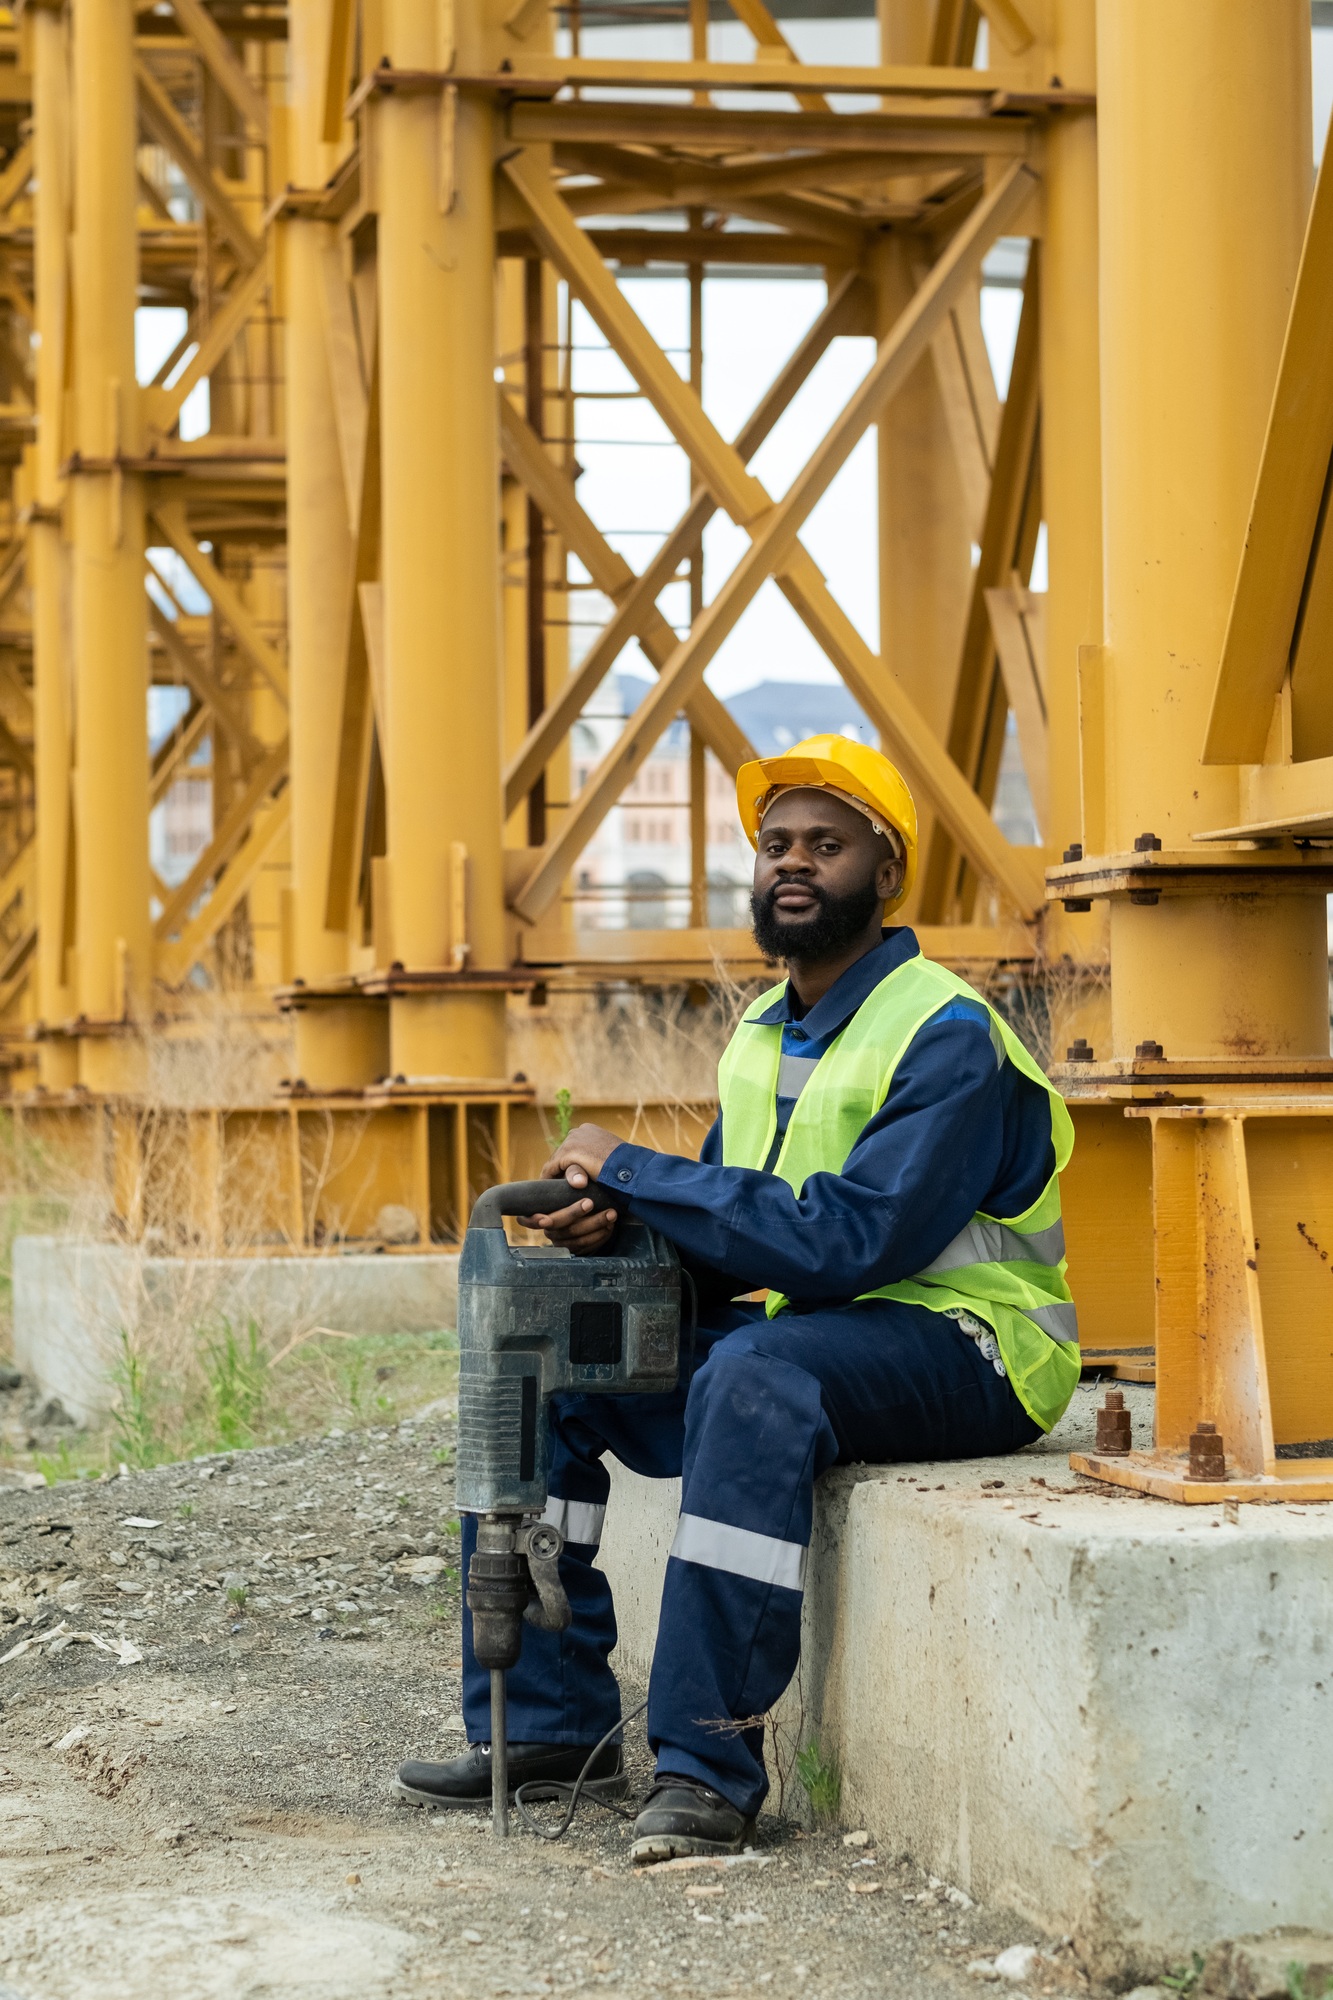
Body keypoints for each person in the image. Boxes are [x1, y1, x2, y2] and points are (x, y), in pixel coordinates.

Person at [396, 735, 1078, 1861]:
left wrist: (636, 1169)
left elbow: (855, 1239)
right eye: (775, 845)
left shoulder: (945, 1032)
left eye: (826, 842)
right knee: (546, 1340)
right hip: (820, 1328)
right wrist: (618, 1227)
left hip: (973, 1347)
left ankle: (707, 1767)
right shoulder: (764, 1029)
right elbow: (739, 1235)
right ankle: (552, 1726)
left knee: (753, 1376)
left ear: (886, 871)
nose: (793, 863)